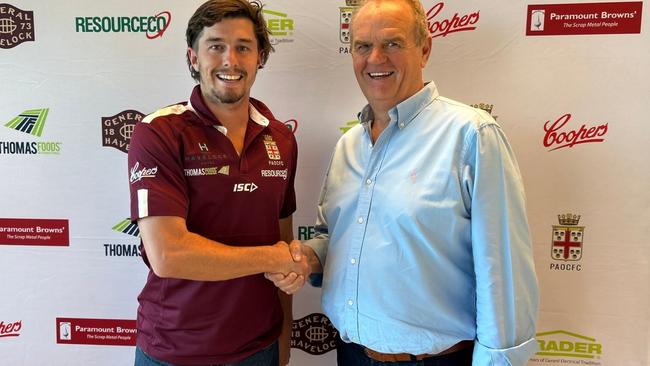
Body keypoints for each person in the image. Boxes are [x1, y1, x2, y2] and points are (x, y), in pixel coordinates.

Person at [268, 0, 539, 365]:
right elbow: (335, 236)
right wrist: (306, 258)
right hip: (351, 355)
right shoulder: (349, 144)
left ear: (424, 48)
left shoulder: (472, 136)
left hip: (434, 359)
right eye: (363, 46)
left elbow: (503, 269)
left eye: (392, 43)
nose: (375, 58)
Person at [127, 1, 309, 365]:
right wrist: (270, 257)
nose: (230, 60)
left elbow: (283, 241)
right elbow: (167, 255)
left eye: (243, 47)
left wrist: (285, 333)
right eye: (216, 46)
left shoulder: (281, 139)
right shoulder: (159, 132)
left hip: (260, 346)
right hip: (175, 350)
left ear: (260, 57)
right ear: (193, 57)